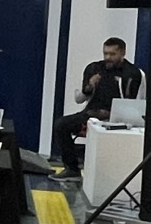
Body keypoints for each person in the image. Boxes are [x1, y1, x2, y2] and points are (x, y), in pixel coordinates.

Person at [53, 37, 143, 177]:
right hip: (90, 115)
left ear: (123, 53)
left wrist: (113, 115)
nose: (108, 57)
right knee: (61, 125)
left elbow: (139, 102)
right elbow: (79, 99)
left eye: (112, 54)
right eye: (105, 53)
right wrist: (89, 85)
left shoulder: (133, 73)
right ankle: (72, 169)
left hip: (118, 119)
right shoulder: (94, 69)